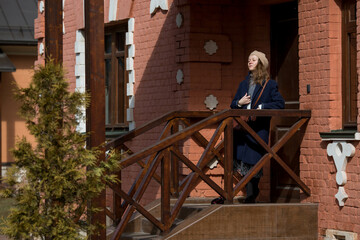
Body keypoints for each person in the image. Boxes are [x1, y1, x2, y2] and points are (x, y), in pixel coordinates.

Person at [211, 50, 285, 204]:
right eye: (249, 59)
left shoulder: (270, 84)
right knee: (237, 161)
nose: (249, 62)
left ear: (261, 64)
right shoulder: (243, 83)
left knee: (253, 162)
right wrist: (239, 103)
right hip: (241, 129)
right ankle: (229, 196)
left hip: (257, 130)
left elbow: (280, 104)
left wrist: (261, 107)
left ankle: (252, 195)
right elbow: (233, 103)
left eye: (253, 60)